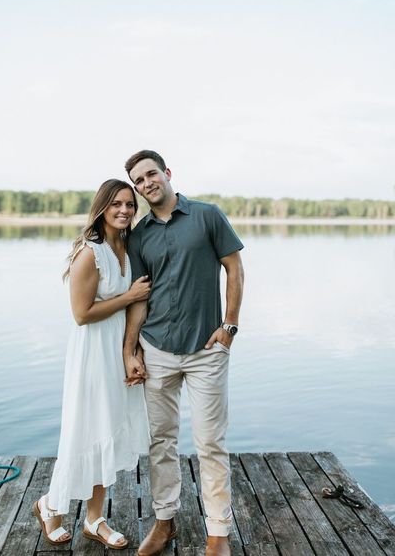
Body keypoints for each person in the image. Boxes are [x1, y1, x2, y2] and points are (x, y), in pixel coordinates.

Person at [123, 151, 244, 556]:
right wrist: (132, 348)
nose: (145, 184)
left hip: (207, 349)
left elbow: (234, 267)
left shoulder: (208, 216)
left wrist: (229, 327)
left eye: (150, 174)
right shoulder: (138, 235)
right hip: (157, 349)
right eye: (138, 181)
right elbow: (140, 296)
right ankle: (164, 523)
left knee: (210, 442)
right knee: (161, 441)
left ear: (167, 173)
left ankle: (218, 535)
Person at [33, 179, 151, 546]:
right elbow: (82, 314)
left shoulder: (129, 249)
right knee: (83, 430)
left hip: (117, 347)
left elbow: (137, 303)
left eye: (130, 204)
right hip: (92, 351)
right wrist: (129, 294)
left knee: (106, 431)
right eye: (116, 204)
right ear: (102, 208)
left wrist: (133, 352)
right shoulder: (91, 253)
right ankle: (51, 505)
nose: (124, 210)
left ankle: (94, 519)